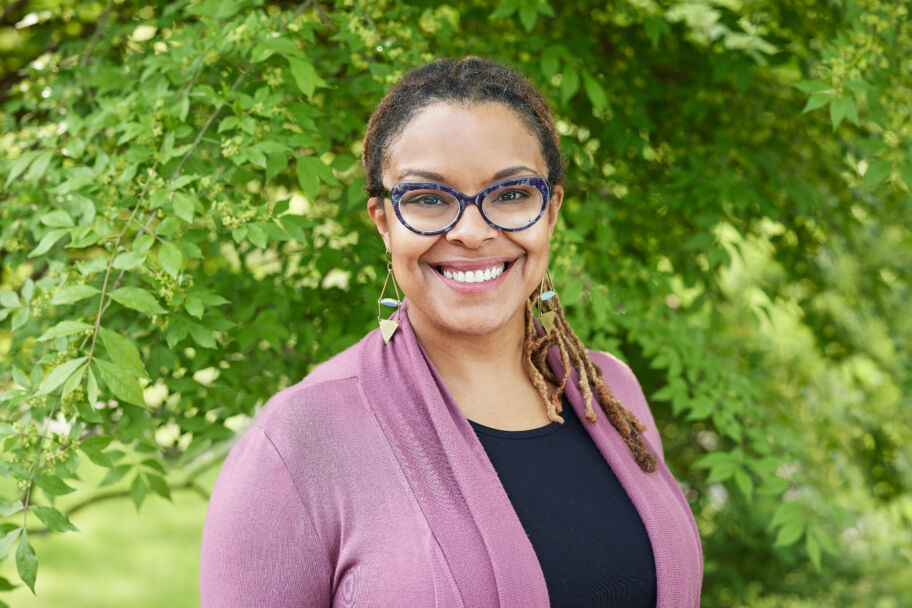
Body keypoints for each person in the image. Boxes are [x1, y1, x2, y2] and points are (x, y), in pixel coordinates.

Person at [200, 57, 702, 607]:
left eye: (511, 194)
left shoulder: (611, 392)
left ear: (551, 211)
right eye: (429, 199)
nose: (472, 231)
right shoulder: (299, 441)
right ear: (383, 222)